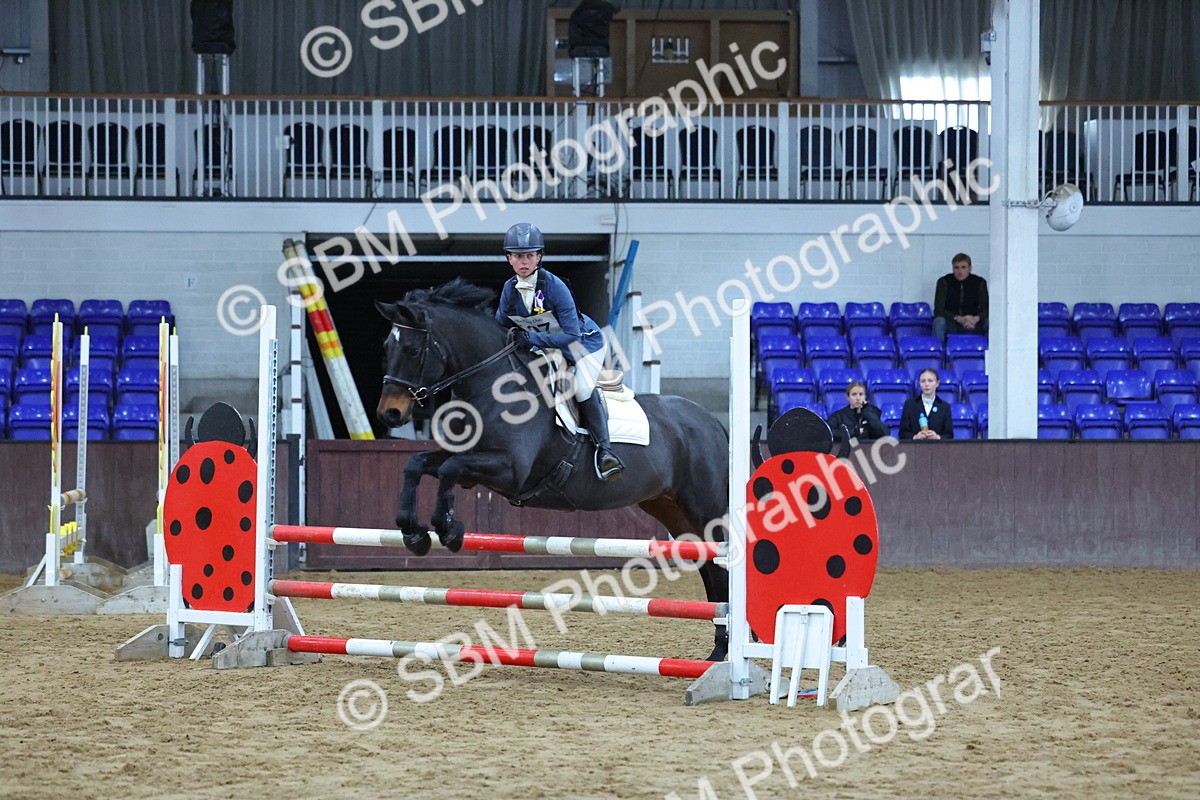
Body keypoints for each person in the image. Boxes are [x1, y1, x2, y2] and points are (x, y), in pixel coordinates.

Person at [495, 222, 625, 481]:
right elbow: (500, 325)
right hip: (547, 346)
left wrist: (529, 337)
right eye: (518, 256)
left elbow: (571, 336)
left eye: (530, 255)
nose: (524, 261)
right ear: (509, 259)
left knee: (581, 388)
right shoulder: (509, 290)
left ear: (539, 257)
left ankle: (605, 452)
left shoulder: (555, 287)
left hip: (583, 346)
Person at [932, 253, 989, 342]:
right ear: (953, 269)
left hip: (974, 323)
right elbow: (938, 310)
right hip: (952, 323)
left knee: (990, 322)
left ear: (970, 269)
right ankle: (938, 353)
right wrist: (958, 319)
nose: (960, 271)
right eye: (956, 267)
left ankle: (993, 353)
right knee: (939, 321)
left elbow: (987, 309)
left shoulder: (980, 282)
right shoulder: (944, 282)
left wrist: (975, 319)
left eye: (963, 267)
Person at [899, 368, 953, 440]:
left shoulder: (944, 407)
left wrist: (937, 437)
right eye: (923, 381)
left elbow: (949, 435)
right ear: (919, 383)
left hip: (937, 449)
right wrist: (915, 437)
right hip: (915, 449)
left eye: (930, 381)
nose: (926, 384)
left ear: (937, 383)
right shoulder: (910, 405)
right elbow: (903, 433)